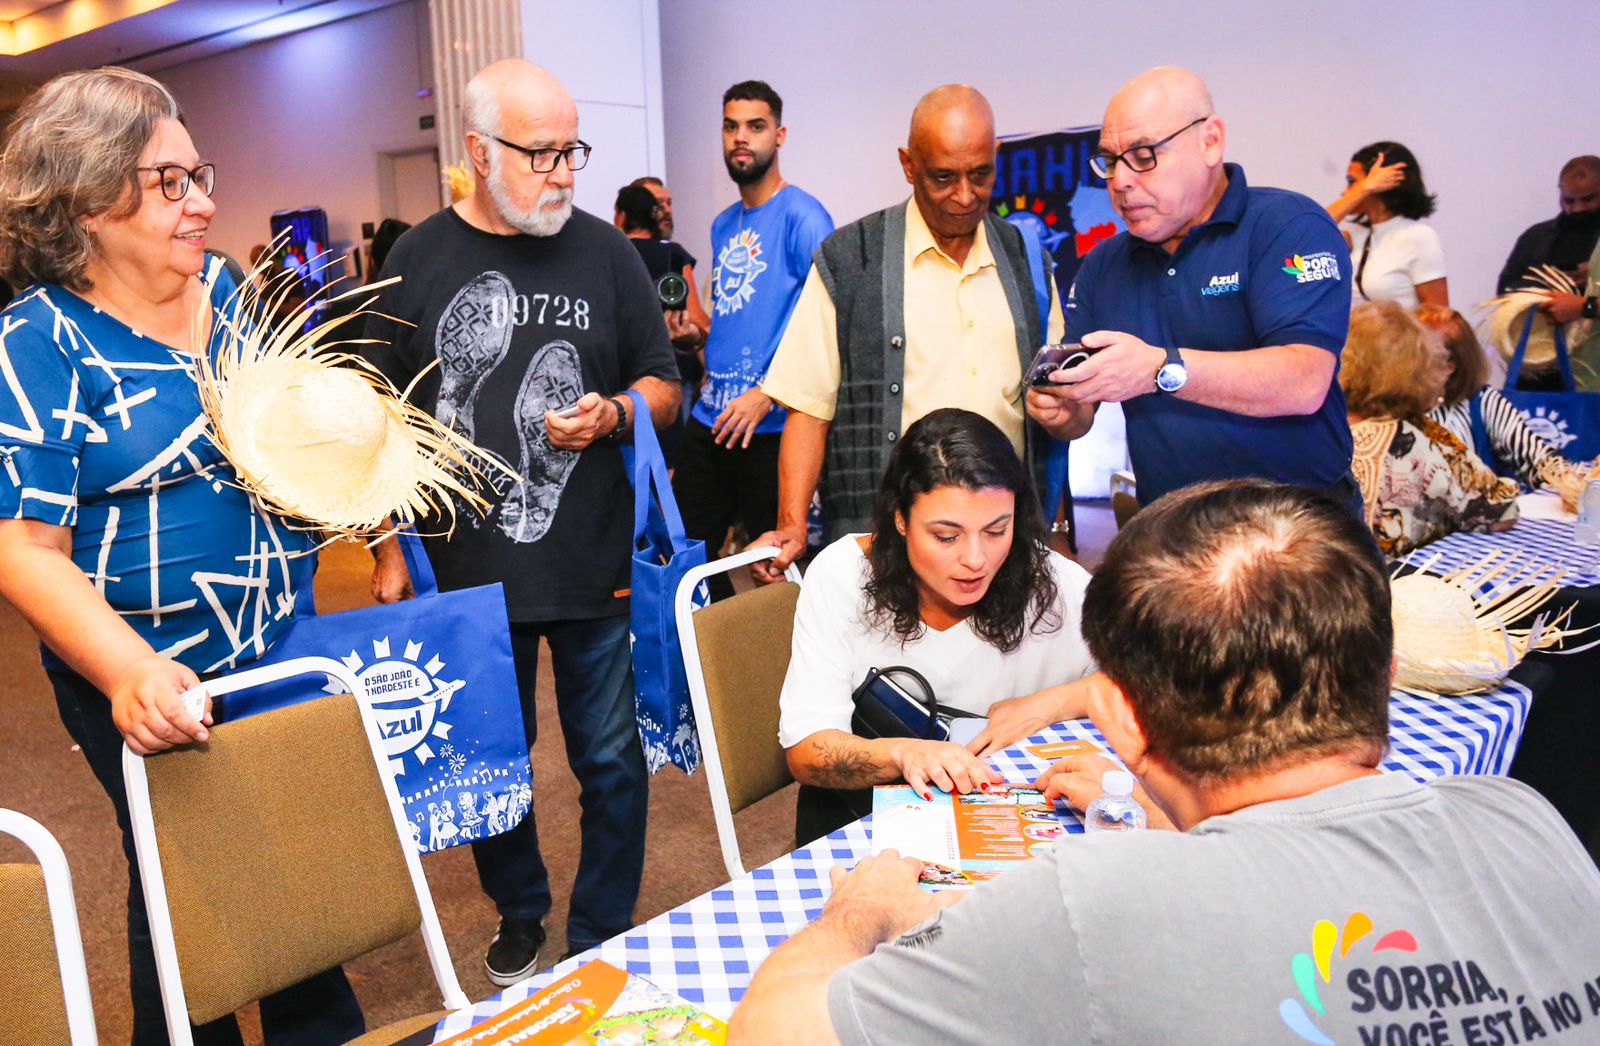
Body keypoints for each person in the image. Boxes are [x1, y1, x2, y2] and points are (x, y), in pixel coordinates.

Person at [730, 480, 1600, 1045]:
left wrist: (859, 914)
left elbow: (772, 1036)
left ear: (1122, 722)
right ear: (1390, 674)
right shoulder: (1525, 817)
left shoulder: (1100, 897)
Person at [0, 67, 362, 1044]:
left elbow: (276, 437)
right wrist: (131, 671)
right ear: (87, 198)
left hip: (279, 630)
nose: (204, 200)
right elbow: (25, 546)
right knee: (189, 872)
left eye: (198, 173)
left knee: (284, 849)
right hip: (140, 660)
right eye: (168, 183)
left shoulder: (231, 290)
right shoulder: (38, 344)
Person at [361, 58, 681, 983]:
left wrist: (615, 414)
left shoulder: (608, 253)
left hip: (592, 568)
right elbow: (372, 424)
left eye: (571, 149)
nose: (565, 172)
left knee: (612, 764)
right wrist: (387, 548)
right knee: (495, 765)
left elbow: (667, 385)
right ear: (476, 152)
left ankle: (602, 931)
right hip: (462, 571)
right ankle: (522, 913)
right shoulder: (415, 261)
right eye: (540, 154)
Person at [750, 84, 1065, 582]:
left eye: (980, 174)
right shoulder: (849, 259)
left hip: (1001, 549)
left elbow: (1066, 412)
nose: (965, 196)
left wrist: (1070, 414)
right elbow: (809, 406)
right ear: (908, 164)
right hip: (886, 548)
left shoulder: (1029, 263)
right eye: (943, 177)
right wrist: (790, 524)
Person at [1025, 67, 1356, 511]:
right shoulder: (1104, 264)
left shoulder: (1287, 226)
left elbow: (1304, 381)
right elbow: (1081, 413)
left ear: (1210, 141)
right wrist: (1064, 413)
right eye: (1110, 160)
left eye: (1143, 155)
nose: (1120, 181)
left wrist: (1160, 370)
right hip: (1171, 529)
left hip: (1297, 524)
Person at [778, 409, 1095, 843]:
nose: (975, 559)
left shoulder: (1056, 585)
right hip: (863, 824)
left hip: (1009, 829)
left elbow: (1151, 689)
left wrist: (1056, 702)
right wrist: (903, 753)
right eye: (946, 537)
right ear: (900, 519)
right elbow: (806, 751)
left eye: (996, 530)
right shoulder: (843, 575)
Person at [673, 80, 833, 599]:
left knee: (775, 579)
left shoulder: (804, 218)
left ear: (780, 135)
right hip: (712, 419)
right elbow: (740, 318)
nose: (741, 138)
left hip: (775, 427)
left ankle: (776, 679)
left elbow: (832, 324)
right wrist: (697, 335)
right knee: (685, 563)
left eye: (755, 127)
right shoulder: (724, 224)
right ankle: (707, 672)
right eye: (731, 126)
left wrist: (768, 393)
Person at [1342, 301, 1518, 556]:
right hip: (1401, 585)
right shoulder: (1422, 436)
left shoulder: (1318, 429)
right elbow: (1500, 511)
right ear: (1421, 364)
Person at [1419, 305, 1593, 492]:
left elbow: (1537, 459)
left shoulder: (1481, 402)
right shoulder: (1392, 408)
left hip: (1476, 515)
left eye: (1419, 355)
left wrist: (1574, 485)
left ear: (1450, 367)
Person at [615, 182, 712, 464]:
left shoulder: (612, 251)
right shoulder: (672, 253)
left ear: (621, 216)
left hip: (622, 378)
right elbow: (697, 319)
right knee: (668, 465)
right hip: (670, 374)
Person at [1326, 141, 1447, 309]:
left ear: (1381, 183)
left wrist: (1364, 188)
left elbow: (1439, 317)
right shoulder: (1355, 236)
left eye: (1352, 181)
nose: (1346, 192)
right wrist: (1364, 187)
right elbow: (1312, 230)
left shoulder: (1419, 236)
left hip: (1401, 336)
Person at [1496, 155, 1600, 297]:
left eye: (1588, 199)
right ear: (1560, 193)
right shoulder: (1535, 237)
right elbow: (1504, 290)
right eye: (1569, 200)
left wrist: (1596, 278)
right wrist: (1545, 284)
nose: (1578, 208)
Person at [629, 174, 677, 241]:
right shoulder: (621, 249)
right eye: (658, 203)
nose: (668, 210)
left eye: (669, 203)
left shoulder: (672, 250)